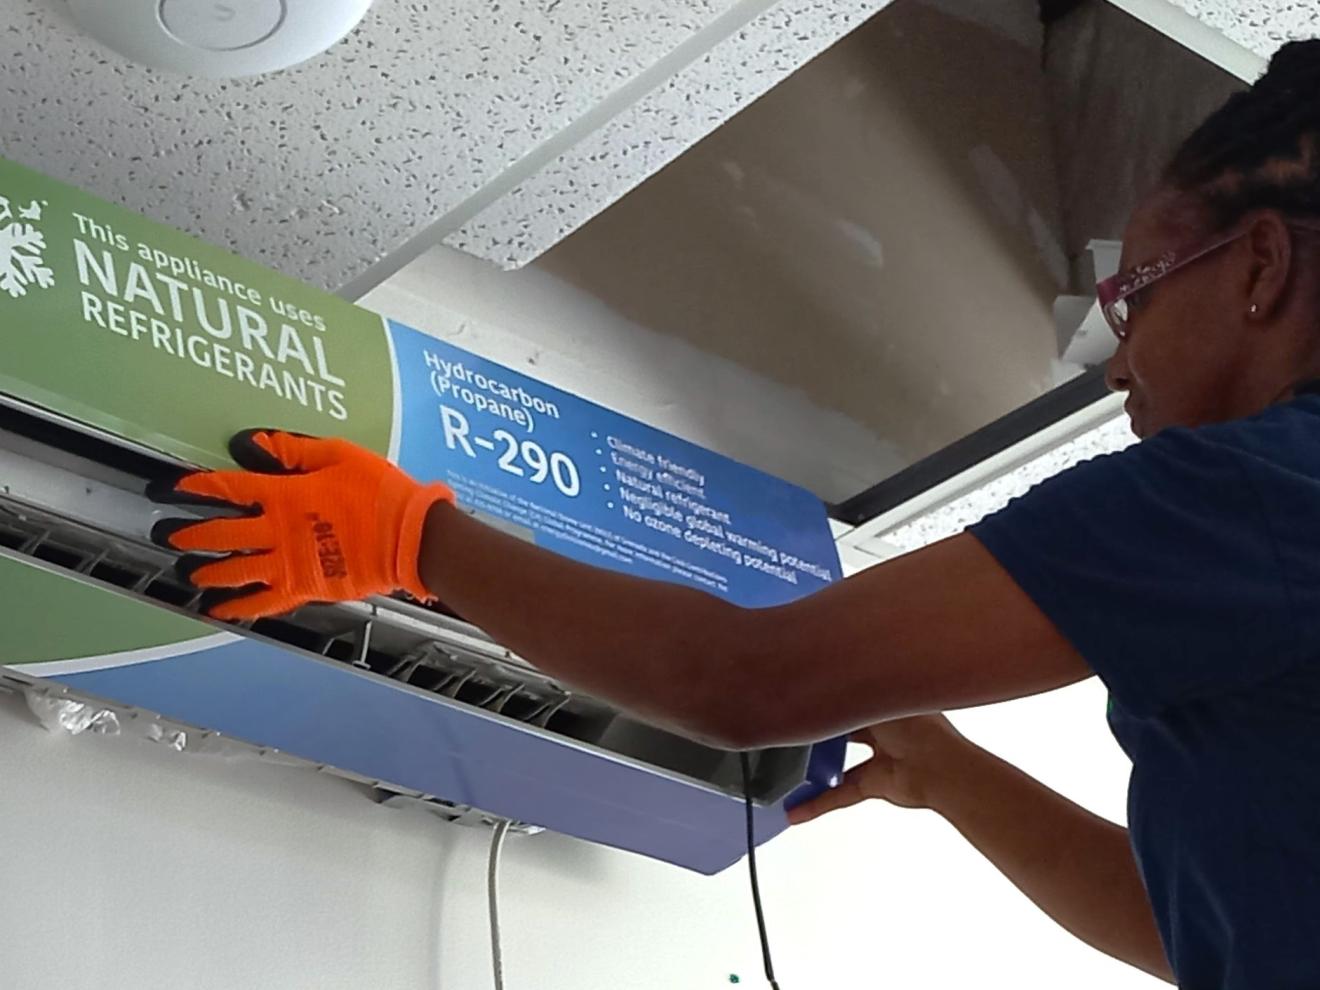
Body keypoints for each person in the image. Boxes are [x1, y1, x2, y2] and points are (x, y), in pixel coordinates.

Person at [150, 40, 1320, 989]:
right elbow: (1186, 936)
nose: (1118, 367)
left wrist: (412, 540)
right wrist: (947, 767)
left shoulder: (1258, 493)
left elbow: (742, 683)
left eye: (1134, 296)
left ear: (1260, 265)